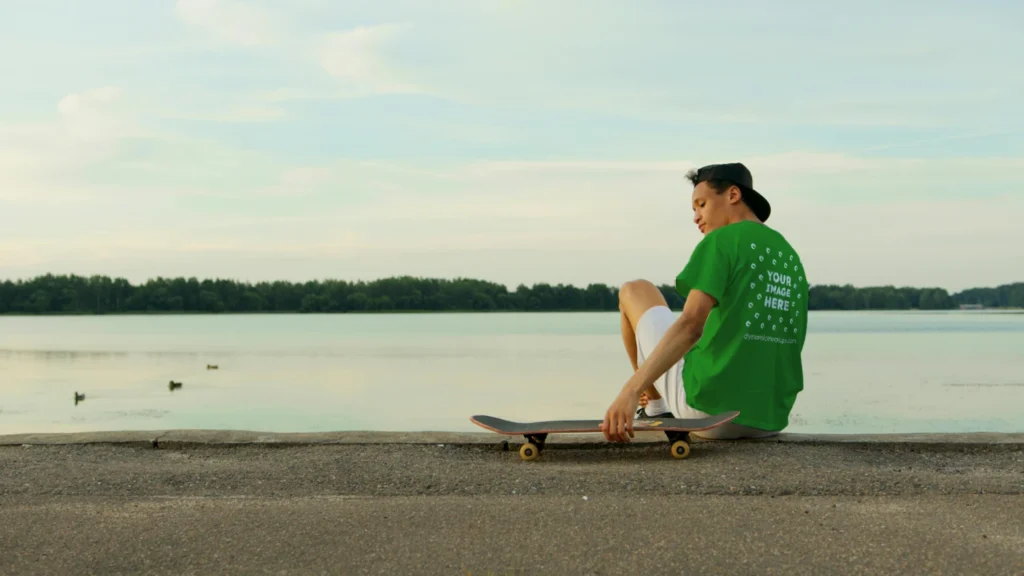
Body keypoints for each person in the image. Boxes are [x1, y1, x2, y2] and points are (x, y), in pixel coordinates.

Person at [600, 162, 808, 443]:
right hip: (770, 419)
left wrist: (630, 390)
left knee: (634, 290)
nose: (697, 217)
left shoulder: (722, 241)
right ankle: (658, 403)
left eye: (701, 204)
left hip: (708, 412)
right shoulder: (789, 254)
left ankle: (655, 407)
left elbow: (690, 326)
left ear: (733, 195)